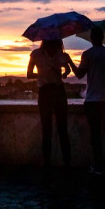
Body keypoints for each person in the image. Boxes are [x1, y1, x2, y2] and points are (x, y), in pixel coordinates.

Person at [72, 25, 105, 174]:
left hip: (92, 101)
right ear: (103, 38)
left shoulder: (87, 54)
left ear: (91, 38)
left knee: (95, 135)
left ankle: (98, 166)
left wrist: (69, 62)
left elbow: (80, 75)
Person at [27, 38, 74, 168]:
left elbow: (29, 74)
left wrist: (41, 75)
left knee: (46, 130)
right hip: (58, 92)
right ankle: (67, 164)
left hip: (44, 93)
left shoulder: (35, 54)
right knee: (62, 130)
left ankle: (47, 165)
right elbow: (68, 70)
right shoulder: (61, 55)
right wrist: (63, 74)